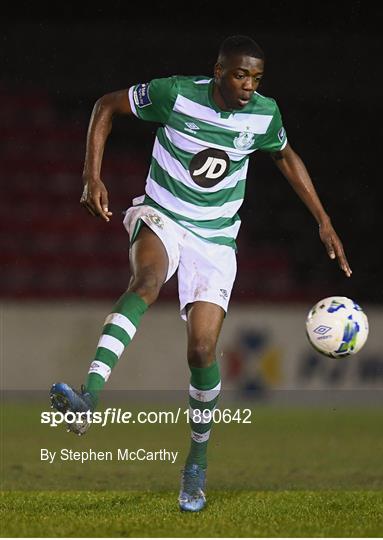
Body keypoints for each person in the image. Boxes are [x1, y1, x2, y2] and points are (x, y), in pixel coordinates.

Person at [50, 34, 352, 512]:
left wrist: (324, 220)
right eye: (239, 74)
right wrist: (92, 175)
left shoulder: (264, 114)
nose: (249, 85)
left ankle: (196, 462)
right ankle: (88, 394)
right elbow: (105, 106)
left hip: (215, 240)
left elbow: (285, 155)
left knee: (202, 348)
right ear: (218, 71)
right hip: (163, 215)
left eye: (256, 77)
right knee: (145, 283)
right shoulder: (174, 94)